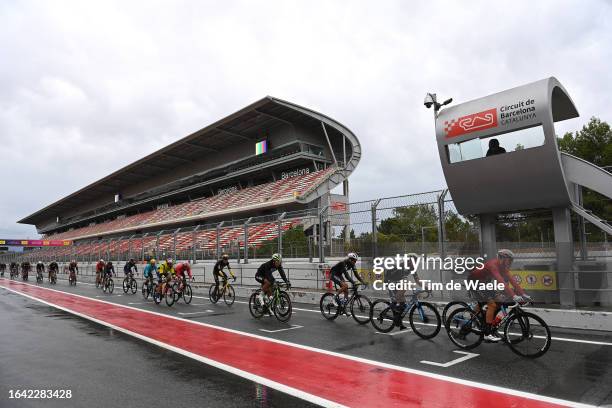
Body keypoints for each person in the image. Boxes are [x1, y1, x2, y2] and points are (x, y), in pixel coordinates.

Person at [468, 249, 530, 342]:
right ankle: (487, 333)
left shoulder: (503, 267)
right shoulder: (493, 265)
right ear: (503, 258)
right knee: (492, 305)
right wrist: (513, 296)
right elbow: (501, 281)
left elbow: (512, 280)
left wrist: (523, 294)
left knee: (499, 300)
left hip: (485, 283)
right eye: (509, 260)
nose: (510, 262)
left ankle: (482, 318)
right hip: (475, 282)